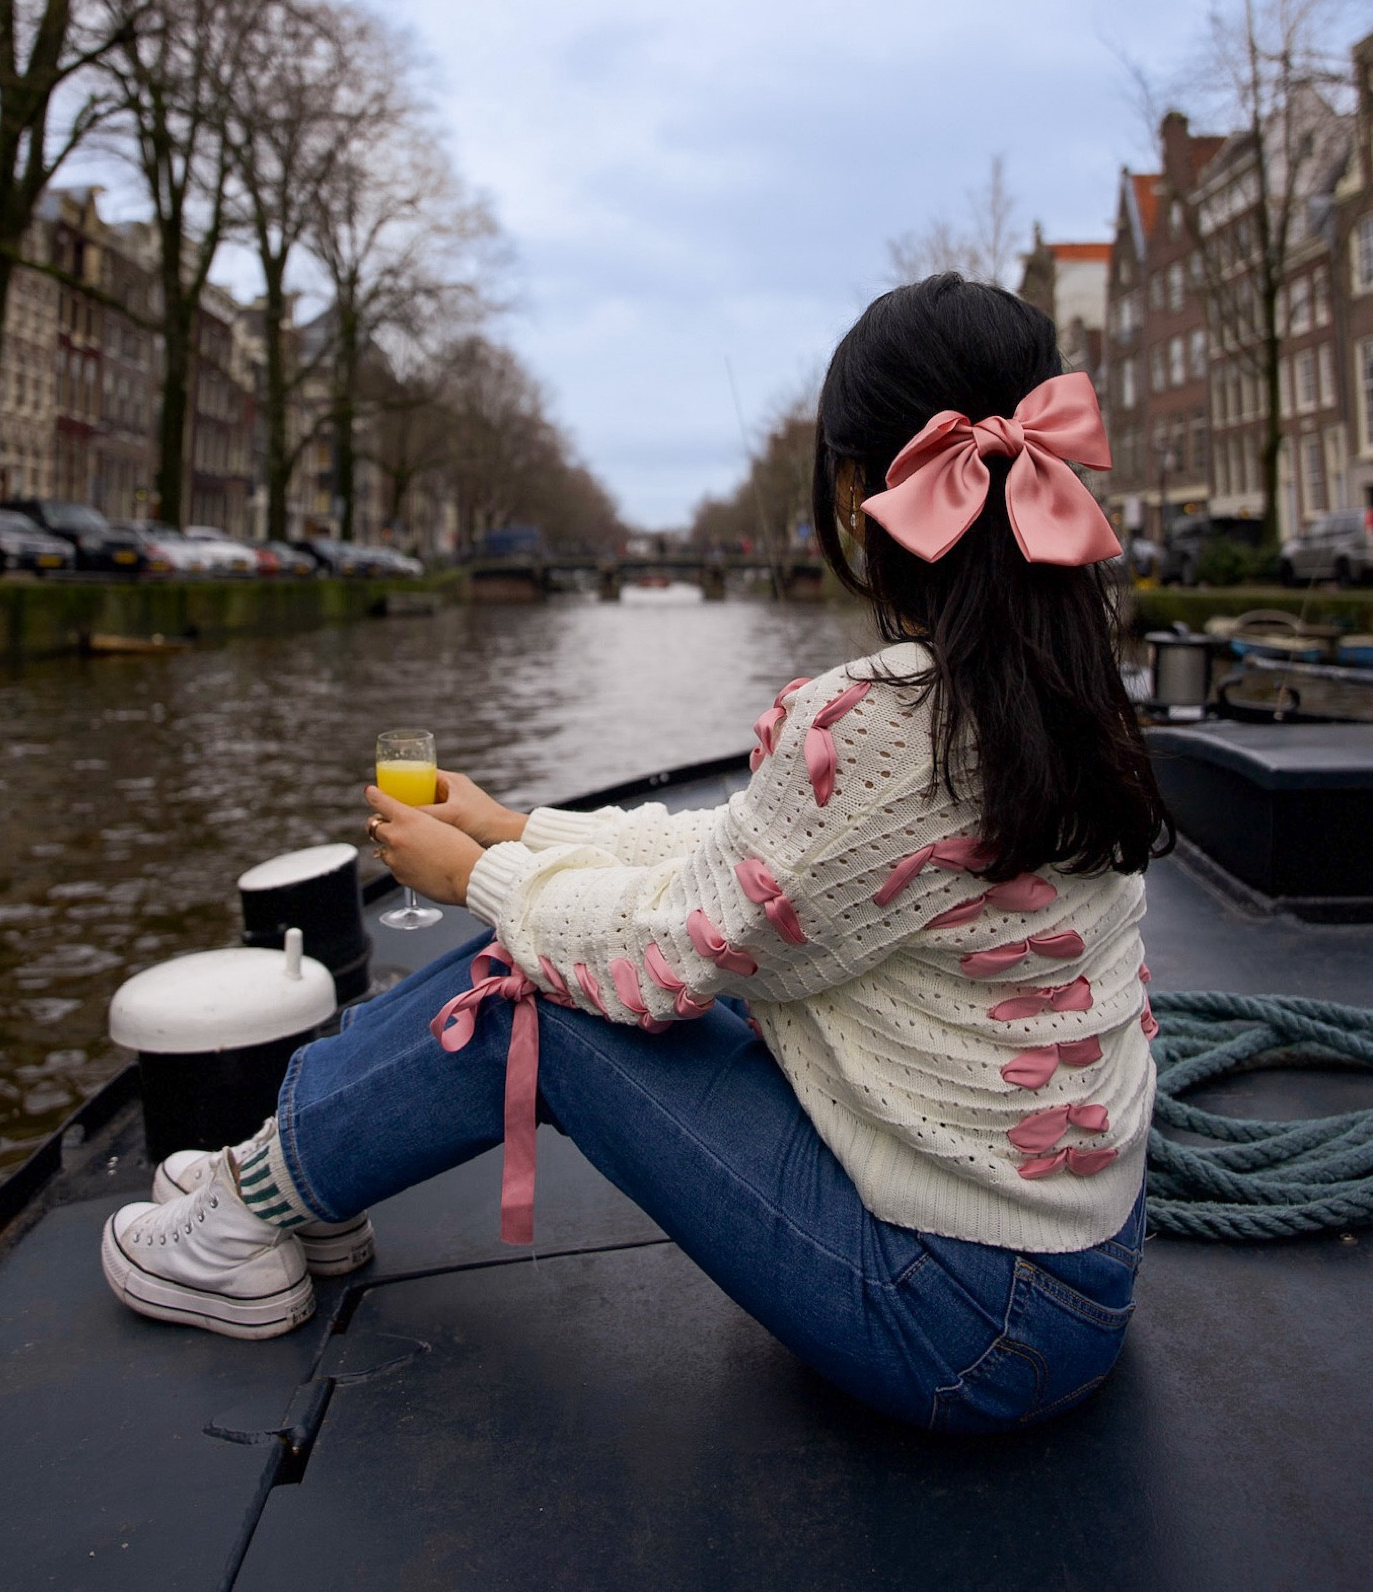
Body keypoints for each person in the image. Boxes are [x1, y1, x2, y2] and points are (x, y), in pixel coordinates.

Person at [100, 275, 1169, 1433]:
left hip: (957, 1321)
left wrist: (473, 880)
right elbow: (745, 863)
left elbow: (665, 952)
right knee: (560, 943)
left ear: (861, 493)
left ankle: (247, 1210)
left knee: (536, 994)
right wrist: (522, 828)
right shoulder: (1064, 696)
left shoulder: (877, 723)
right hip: (1072, 1278)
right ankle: (305, 1180)